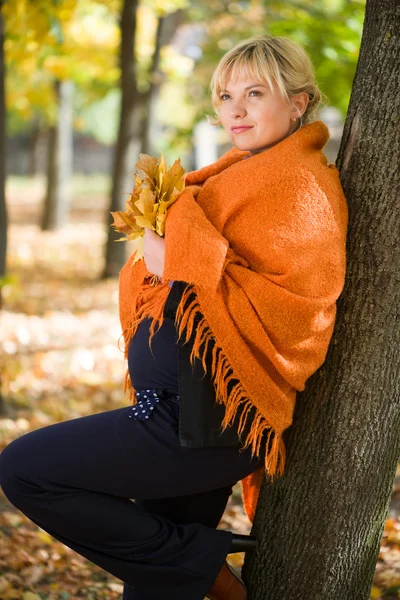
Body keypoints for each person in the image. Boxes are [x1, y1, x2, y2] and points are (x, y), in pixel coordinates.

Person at [0, 35, 348, 600]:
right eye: (225, 95)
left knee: (24, 469)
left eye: (255, 93)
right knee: (152, 588)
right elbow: (200, 261)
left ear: (299, 102)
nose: (234, 110)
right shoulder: (237, 176)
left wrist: (174, 243)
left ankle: (204, 567)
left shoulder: (301, 186)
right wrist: (172, 236)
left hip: (206, 420)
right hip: (182, 412)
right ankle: (191, 563)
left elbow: (294, 306)